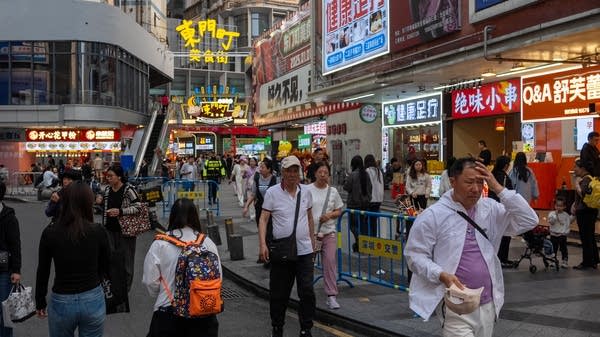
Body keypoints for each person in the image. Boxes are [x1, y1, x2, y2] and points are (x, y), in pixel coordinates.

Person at [404, 158, 538, 337]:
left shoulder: (490, 209)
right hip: (454, 305)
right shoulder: (433, 215)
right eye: (469, 182)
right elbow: (414, 256)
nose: (475, 188)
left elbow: (529, 220)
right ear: (453, 181)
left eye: (480, 182)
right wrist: (440, 274)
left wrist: (498, 188)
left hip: (488, 302)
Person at [35, 181, 110, 337]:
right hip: (92, 296)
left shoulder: (50, 232)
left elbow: (43, 270)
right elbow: (106, 265)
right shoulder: (98, 231)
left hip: (62, 298)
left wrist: (40, 300)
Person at [142, 198, 221, 337]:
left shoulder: (160, 244)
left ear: (172, 216)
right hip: (203, 314)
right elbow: (218, 277)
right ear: (195, 216)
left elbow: (150, 281)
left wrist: (162, 293)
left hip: (168, 313)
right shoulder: (207, 242)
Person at [257, 155, 315, 337]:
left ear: (300, 172)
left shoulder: (306, 192)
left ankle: (306, 329)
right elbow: (263, 219)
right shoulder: (273, 193)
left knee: (307, 291)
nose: (292, 174)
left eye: (295, 170)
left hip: (304, 250)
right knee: (279, 293)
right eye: (288, 170)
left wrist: (313, 243)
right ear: (282, 172)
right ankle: (277, 327)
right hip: (281, 252)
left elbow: (310, 218)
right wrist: (262, 245)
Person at [96, 165, 143, 291]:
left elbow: (139, 206)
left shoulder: (129, 190)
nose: (109, 179)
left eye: (111, 176)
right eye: (108, 176)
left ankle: (125, 287)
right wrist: (99, 201)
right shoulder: (107, 190)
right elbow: (104, 207)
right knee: (111, 258)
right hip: (109, 230)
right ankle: (113, 285)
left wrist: (121, 211)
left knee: (127, 259)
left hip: (126, 231)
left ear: (119, 177)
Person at [306, 162, 344, 310]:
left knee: (329, 262)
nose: (323, 174)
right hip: (311, 234)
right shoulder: (307, 190)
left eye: (325, 172)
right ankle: (307, 293)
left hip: (328, 232)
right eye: (320, 172)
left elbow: (339, 210)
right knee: (308, 265)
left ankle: (331, 296)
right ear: (315, 173)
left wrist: (329, 215)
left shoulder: (333, 191)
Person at [0, 182, 21, 337]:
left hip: (4, 271)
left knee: (4, 311)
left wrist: (16, 270)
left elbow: (15, 245)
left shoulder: (9, 217)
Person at [487, 155, 515, 268]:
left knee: (496, 233)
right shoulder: (503, 177)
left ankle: (496, 257)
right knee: (505, 234)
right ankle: (503, 258)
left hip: (492, 206)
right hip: (502, 207)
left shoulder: (493, 175)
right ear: (506, 165)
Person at [571, 159, 599, 270]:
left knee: (585, 237)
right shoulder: (591, 178)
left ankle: (587, 262)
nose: (574, 169)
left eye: (575, 167)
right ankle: (594, 260)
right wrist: (575, 204)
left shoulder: (585, 180)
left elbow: (583, 194)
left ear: (582, 169)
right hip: (590, 211)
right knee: (590, 236)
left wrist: (577, 183)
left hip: (584, 212)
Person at [344, 155, 372, 252]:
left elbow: (346, 187)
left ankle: (359, 242)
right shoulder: (366, 174)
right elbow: (370, 188)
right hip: (364, 204)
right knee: (362, 225)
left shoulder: (352, 175)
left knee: (353, 226)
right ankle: (360, 244)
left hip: (353, 205)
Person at [548, 196, 572, 268]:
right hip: (553, 234)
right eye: (557, 206)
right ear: (555, 206)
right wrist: (555, 216)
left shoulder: (566, 215)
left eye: (561, 206)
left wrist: (565, 232)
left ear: (564, 207)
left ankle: (565, 260)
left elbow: (567, 224)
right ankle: (553, 260)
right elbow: (551, 222)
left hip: (562, 235)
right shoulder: (551, 214)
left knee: (563, 248)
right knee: (553, 248)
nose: (558, 207)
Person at [364, 154, 384, 236]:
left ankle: (369, 238)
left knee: (368, 221)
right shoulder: (379, 171)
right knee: (374, 221)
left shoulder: (367, 171)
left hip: (370, 200)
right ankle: (374, 237)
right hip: (378, 200)